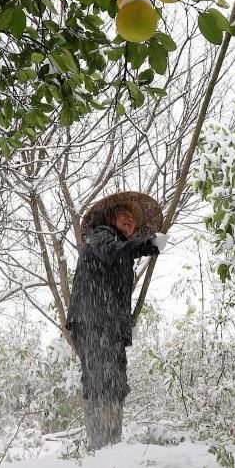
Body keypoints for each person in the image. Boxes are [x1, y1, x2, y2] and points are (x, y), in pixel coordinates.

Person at [67, 192, 168, 450]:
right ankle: (100, 447)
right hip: (93, 321)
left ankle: (111, 446)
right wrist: (147, 245)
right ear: (110, 218)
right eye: (124, 214)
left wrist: (125, 323)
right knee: (101, 380)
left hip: (110, 326)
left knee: (115, 383)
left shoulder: (123, 255)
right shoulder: (101, 236)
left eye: (133, 218)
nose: (129, 219)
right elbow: (112, 253)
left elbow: (118, 292)